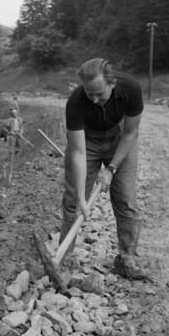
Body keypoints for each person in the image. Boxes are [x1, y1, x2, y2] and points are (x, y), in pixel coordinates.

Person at [61, 58, 145, 279]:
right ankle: (63, 260)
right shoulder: (76, 102)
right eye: (90, 94)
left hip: (119, 138)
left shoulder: (131, 89)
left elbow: (130, 133)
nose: (95, 100)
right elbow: (78, 152)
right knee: (72, 202)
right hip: (87, 141)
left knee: (126, 198)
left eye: (100, 93)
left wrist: (111, 168)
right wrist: (81, 196)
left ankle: (127, 259)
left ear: (112, 83)